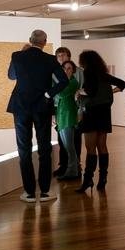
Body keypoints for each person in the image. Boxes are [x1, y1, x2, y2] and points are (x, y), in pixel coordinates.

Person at [7, 30, 68, 202]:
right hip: (42, 106)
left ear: (30, 40)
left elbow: (11, 76)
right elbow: (64, 81)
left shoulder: (17, 56)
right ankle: (46, 192)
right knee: (44, 149)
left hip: (21, 106)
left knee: (24, 150)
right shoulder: (50, 59)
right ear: (45, 42)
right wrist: (48, 94)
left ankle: (29, 193)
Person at [75, 50, 125, 193]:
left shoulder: (88, 72)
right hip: (104, 112)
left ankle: (88, 180)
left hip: (92, 112)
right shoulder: (103, 74)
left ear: (85, 61)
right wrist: (111, 92)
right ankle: (103, 179)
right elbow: (123, 84)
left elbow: (90, 92)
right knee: (102, 146)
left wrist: (79, 91)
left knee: (90, 148)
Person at [53, 47, 84, 178]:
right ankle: (65, 166)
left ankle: (75, 168)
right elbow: (56, 96)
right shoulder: (55, 72)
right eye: (58, 56)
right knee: (63, 142)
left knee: (74, 141)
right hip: (60, 110)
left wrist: (80, 110)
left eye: (63, 55)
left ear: (69, 56)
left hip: (73, 109)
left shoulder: (78, 73)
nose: (61, 57)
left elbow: (80, 90)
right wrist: (54, 113)